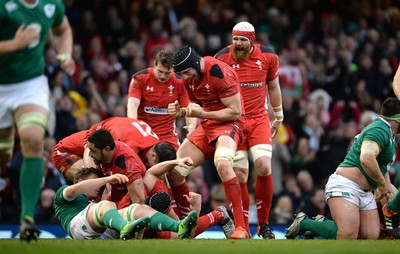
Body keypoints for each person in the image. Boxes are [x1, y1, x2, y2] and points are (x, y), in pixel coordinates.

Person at [0, 0, 75, 241]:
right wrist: (14, 44)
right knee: (3, 155)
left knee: (33, 139)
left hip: (30, 84)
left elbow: (63, 30)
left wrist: (65, 54)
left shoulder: (51, 4)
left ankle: (27, 218)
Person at [285, 97, 400, 240]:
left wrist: (387, 192)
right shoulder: (379, 130)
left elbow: (383, 168)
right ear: (398, 120)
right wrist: (382, 185)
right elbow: (366, 158)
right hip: (347, 184)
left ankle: (322, 223)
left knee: (370, 237)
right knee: (347, 234)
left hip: (366, 192)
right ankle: (305, 223)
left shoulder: (390, 136)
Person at [86, 129, 235, 239]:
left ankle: (218, 215)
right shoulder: (134, 161)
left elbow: (178, 226)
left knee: (183, 234)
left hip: (170, 195)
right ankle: (215, 214)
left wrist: (195, 210)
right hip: (144, 199)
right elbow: (152, 172)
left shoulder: (143, 177)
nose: (90, 154)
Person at [168, 45, 248, 239]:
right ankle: (186, 223)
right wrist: (185, 114)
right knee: (174, 172)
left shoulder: (220, 72)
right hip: (207, 126)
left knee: (222, 163)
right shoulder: (189, 79)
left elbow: (235, 111)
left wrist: (202, 114)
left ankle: (241, 228)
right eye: (182, 74)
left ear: (195, 63)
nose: (185, 77)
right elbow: (194, 105)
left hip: (230, 124)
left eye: (187, 72)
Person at [215, 21, 283, 239]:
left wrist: (279, 115)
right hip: (233, 122)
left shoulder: (268, 57)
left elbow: (273, 86)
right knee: (241, 174)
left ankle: (263, 224)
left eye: (243, 40)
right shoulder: (221, 57)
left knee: (263, 165)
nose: (238, 44)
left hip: (258, 120)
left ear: (251, 40)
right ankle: (242, 226)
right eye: (235, 39)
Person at [53, 167, 198, 240]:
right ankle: (125, 228)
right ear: (80, 181)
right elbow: (72, 191)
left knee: (139, 209)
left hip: (100, 231)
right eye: (94, 182)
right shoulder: (64, 192)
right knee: (107, 205)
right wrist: (107, 180)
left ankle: (179, 227)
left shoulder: (93, 204)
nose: (98, 187)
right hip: (78, 229)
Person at [127, 49, 197, 150]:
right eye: (160, 71)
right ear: (154, 64)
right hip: (144, 132)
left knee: (179, 163)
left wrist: (191, 127)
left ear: (173, 69)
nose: (163, 76)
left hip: (167, 136)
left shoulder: (180, 82)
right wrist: (135, 127)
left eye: (167, 73)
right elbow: (132, 105)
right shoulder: (140, 78)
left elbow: (188, 108)